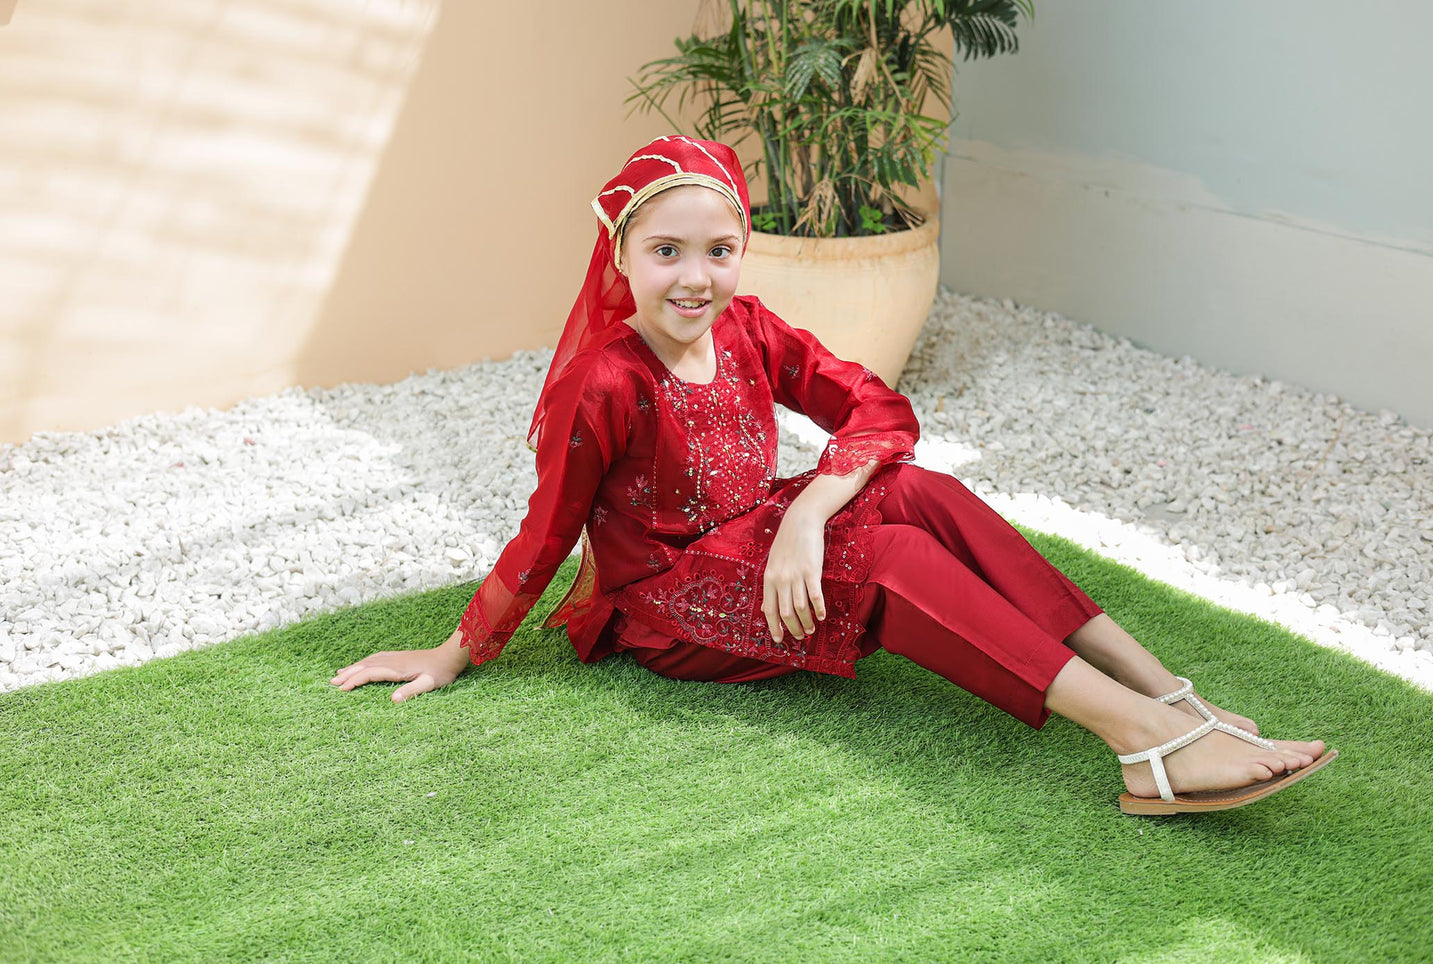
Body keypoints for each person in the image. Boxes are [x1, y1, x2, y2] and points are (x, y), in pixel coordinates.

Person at [329, 135, 1335, 815]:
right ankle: (1143, 746)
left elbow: (877, 411)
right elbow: (547, 530)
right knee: (892, 553)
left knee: (922, 492)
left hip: (760, 536)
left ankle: (1169, 696)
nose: (695, 275)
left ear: (741, 251)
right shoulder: (603, 380)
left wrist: (809, 507)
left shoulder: (749, 329)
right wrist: (456, 648)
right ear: (621, 257)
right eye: (666, 249)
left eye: (718, 250)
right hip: (671, 605)